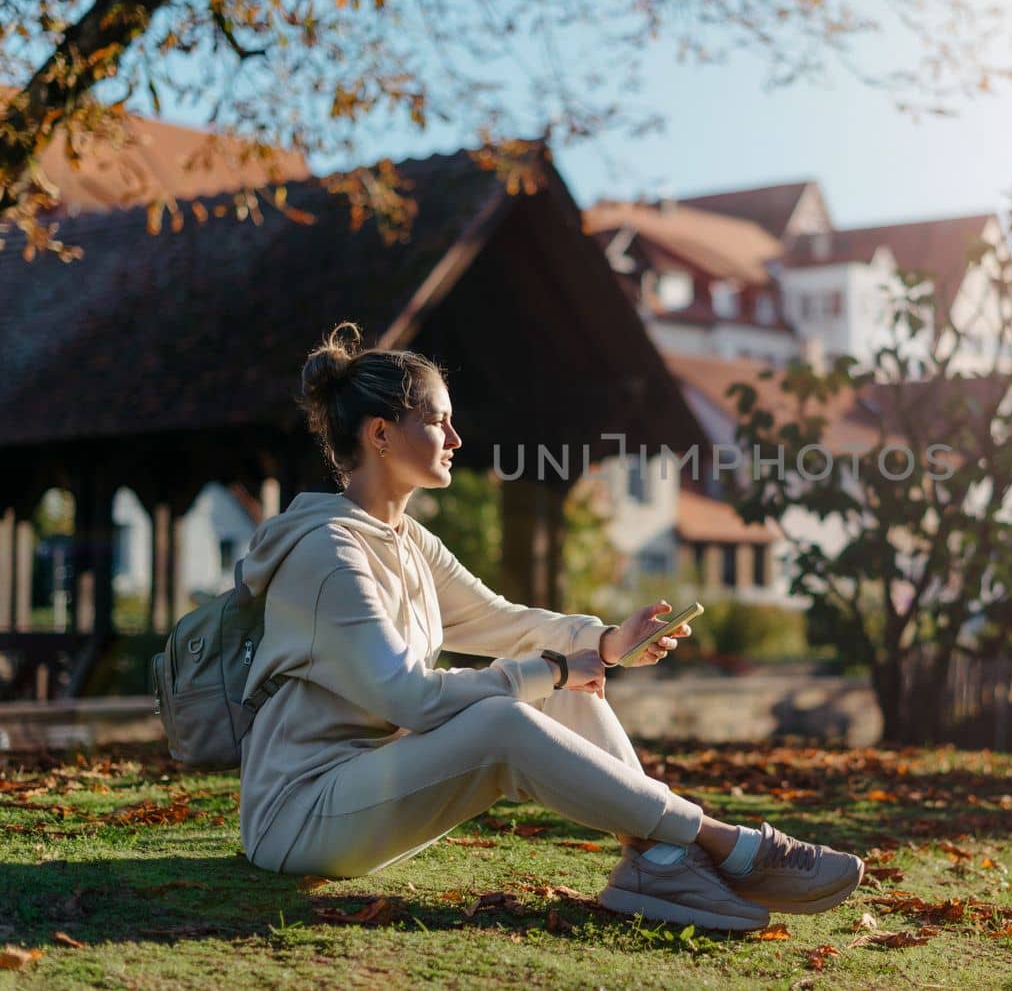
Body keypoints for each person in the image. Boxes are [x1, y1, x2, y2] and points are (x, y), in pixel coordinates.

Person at [236, 321, 863, 931]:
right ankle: (720, 841)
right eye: (436, 421)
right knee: (509, 713)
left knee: (548, 687)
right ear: (380, 434)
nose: (456, 437)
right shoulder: (329, 554)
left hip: (372, 787)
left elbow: (501, 621)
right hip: (300, 815)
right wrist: (551, 669)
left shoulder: (406, 542)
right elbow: (410, 698)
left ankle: (658, 859)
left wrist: (605, 644)